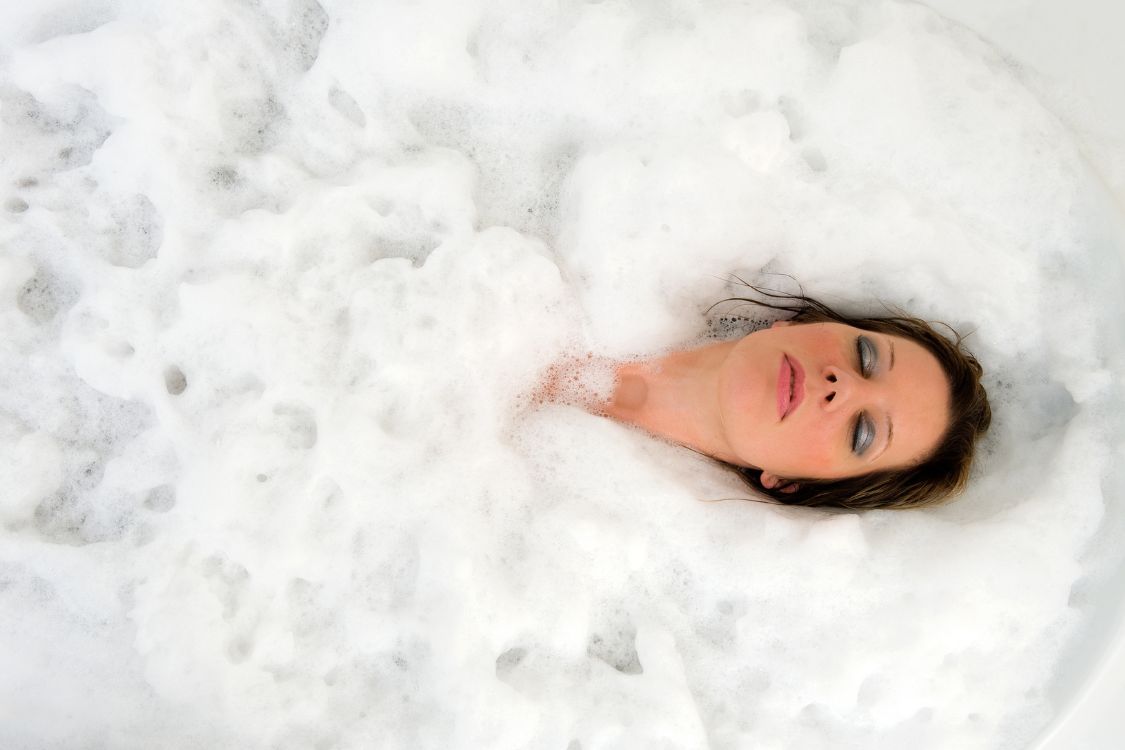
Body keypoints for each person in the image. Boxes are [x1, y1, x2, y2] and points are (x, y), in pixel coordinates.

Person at [544, 288, 991, 510]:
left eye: (862, 432)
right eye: (865, 355)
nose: (843, 386)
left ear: (790, 483)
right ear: (802, 324)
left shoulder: (588, 508)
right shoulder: (605, 269)